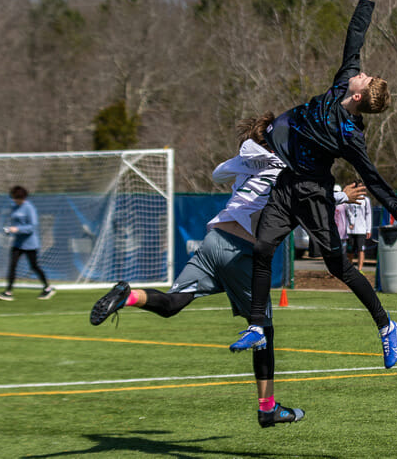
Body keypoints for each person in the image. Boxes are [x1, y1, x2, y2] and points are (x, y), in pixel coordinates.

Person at [90, 113, 366, 428]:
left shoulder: (249, 163)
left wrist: (248, 160)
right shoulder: (286, 168)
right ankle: (268, 409)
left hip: (213, 239)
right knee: (263, 330)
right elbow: (314, 193)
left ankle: (127, 296)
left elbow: (218, 172)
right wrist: (344, 194)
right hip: (240, 253)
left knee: (171, 304)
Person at [230, 0, 397, 369]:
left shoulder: (350, 132)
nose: (361, 71)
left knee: (338, 265)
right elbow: (356, 34)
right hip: (286, 182)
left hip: (313, 192)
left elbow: (369, 173)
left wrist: (393, 203)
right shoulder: (343, 79)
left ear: (361, 93)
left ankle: (386, 326)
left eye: (364, 76)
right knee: (262, 248)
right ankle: (258, 324)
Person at [0, 186, 55, 301]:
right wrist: (9, 230)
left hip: (30, 244)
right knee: (12, 265)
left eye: (17, 198)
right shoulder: (14, 207)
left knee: (34, 266)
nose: (15, 200)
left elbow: (32, 227)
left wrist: (17, 229)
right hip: (18, 243)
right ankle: (8, 292)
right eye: (13, 198)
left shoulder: (29, 208)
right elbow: (15, 223)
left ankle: (47, 288)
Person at [346, 190, 372, 272]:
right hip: (350, 230)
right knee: (350, 250)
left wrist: (368, 229)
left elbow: (368, 214)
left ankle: (360, 269)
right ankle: (350, 269)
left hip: (361, 230)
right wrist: (351, 222)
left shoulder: (365, 200)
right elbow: (347, 211)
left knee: (361, 250)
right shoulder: (349, 199)